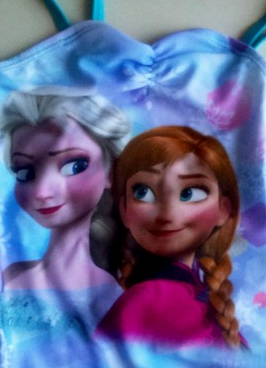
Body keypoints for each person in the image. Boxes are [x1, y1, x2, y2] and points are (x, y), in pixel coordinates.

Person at [97, 125, 243, 347]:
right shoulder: (144, 299)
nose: (167, 214)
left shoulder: (208, 299)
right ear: (124, 209)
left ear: (223, 209)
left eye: (190, 193)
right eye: (143, 192)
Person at [0, 89, 130, 290]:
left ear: (111, 169)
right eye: (25, 172)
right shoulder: (12, 274)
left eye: (74, 166)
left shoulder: (119, 290)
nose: (41, 192)